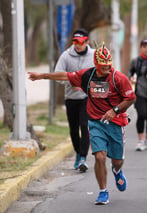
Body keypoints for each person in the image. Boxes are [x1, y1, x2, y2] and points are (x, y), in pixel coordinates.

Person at [28, 43, 136, 204]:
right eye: (104, 66)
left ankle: (117, 170)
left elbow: (131, 98)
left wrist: (114, 110)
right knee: (99, 157)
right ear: (96, 64)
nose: (107, 68)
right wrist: (42, 76)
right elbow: (65, 76)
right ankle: (103, 191)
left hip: (115, 122)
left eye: (109, 65)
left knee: (117, 160)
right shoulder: (87, 75)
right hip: (95, 122)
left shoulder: (119, 78)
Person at [54, 29, 94, 172]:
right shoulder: (66, 56)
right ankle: (78, 152)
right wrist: (71, 82)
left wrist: (86, 85)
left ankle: (83, 158)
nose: (78, 45)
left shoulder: (94, 55)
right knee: (73, 129)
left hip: (87, 98)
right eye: (75, 42)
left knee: (85, 126)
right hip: (71, 98)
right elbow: (57, 75)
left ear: (87, 42)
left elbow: (102, 75)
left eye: (81, 42)